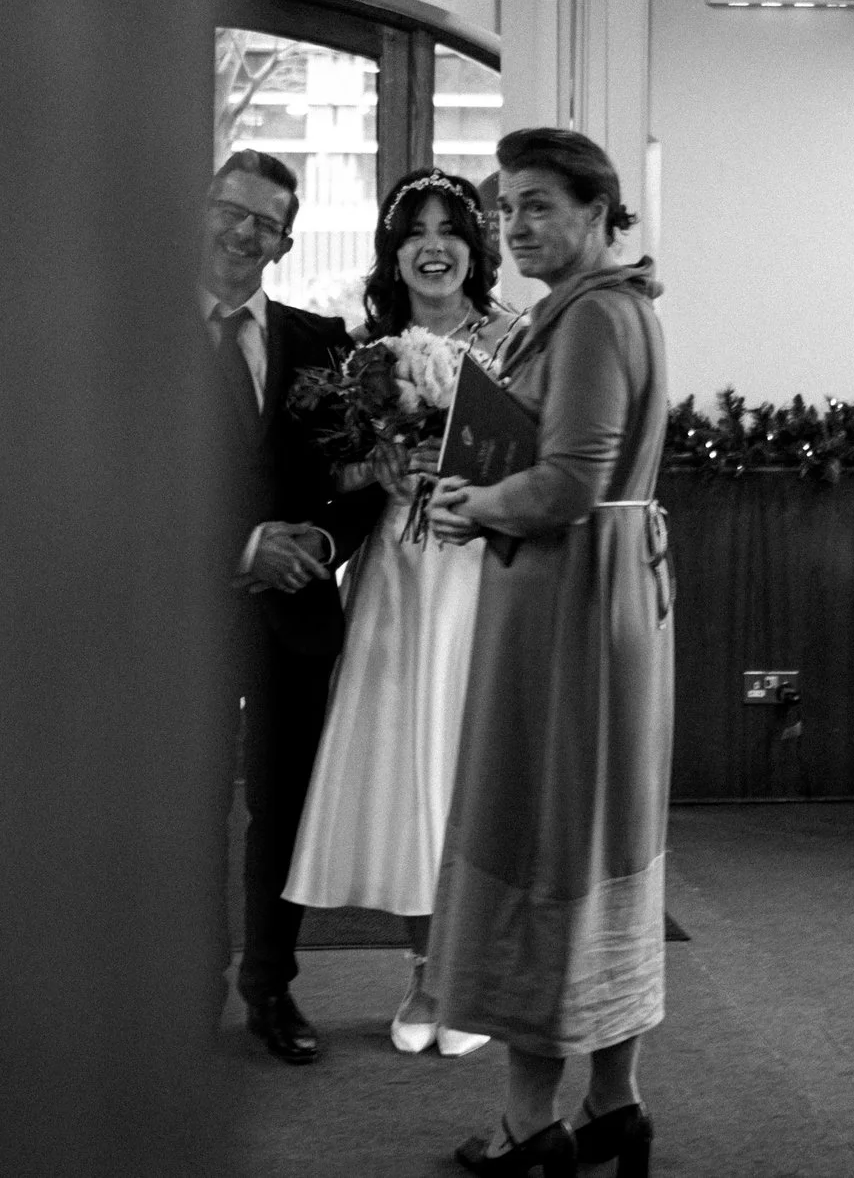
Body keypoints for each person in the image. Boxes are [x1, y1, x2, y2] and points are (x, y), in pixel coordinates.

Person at [426, 128, 672, 1178]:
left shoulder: (592, 316)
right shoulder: (611, 307)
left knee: (544, 839)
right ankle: (612, 1100)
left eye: (535, 204)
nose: (514, 225)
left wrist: (475, 501)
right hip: (606, 587)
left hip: (570, 597)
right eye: (504, 208)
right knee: (602, 841)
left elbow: (569, 479)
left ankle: (533, 1124)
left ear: (598, 210)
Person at [282, 170, 518, 1057]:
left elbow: (539, 459)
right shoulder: (361, 350)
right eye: (414, 230)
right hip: (396, 575)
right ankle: (427, 974)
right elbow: (327, 474)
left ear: (474, 245)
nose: (433, 245)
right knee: (411, 772)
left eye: (449, 229)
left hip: (481, 573)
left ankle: (477, 975)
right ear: (392, 251)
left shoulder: (516, 339)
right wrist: (376, 471)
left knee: (469, 769)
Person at [201, 150, 384, 1065]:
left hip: (293, 616)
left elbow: (358, 479)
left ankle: (270, 985)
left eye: (265, 222)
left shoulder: (324, 344)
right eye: (232, 211)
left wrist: (318, 542)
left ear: (286, 240)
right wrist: (241, 549)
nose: (243, 232)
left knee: (284, 809)